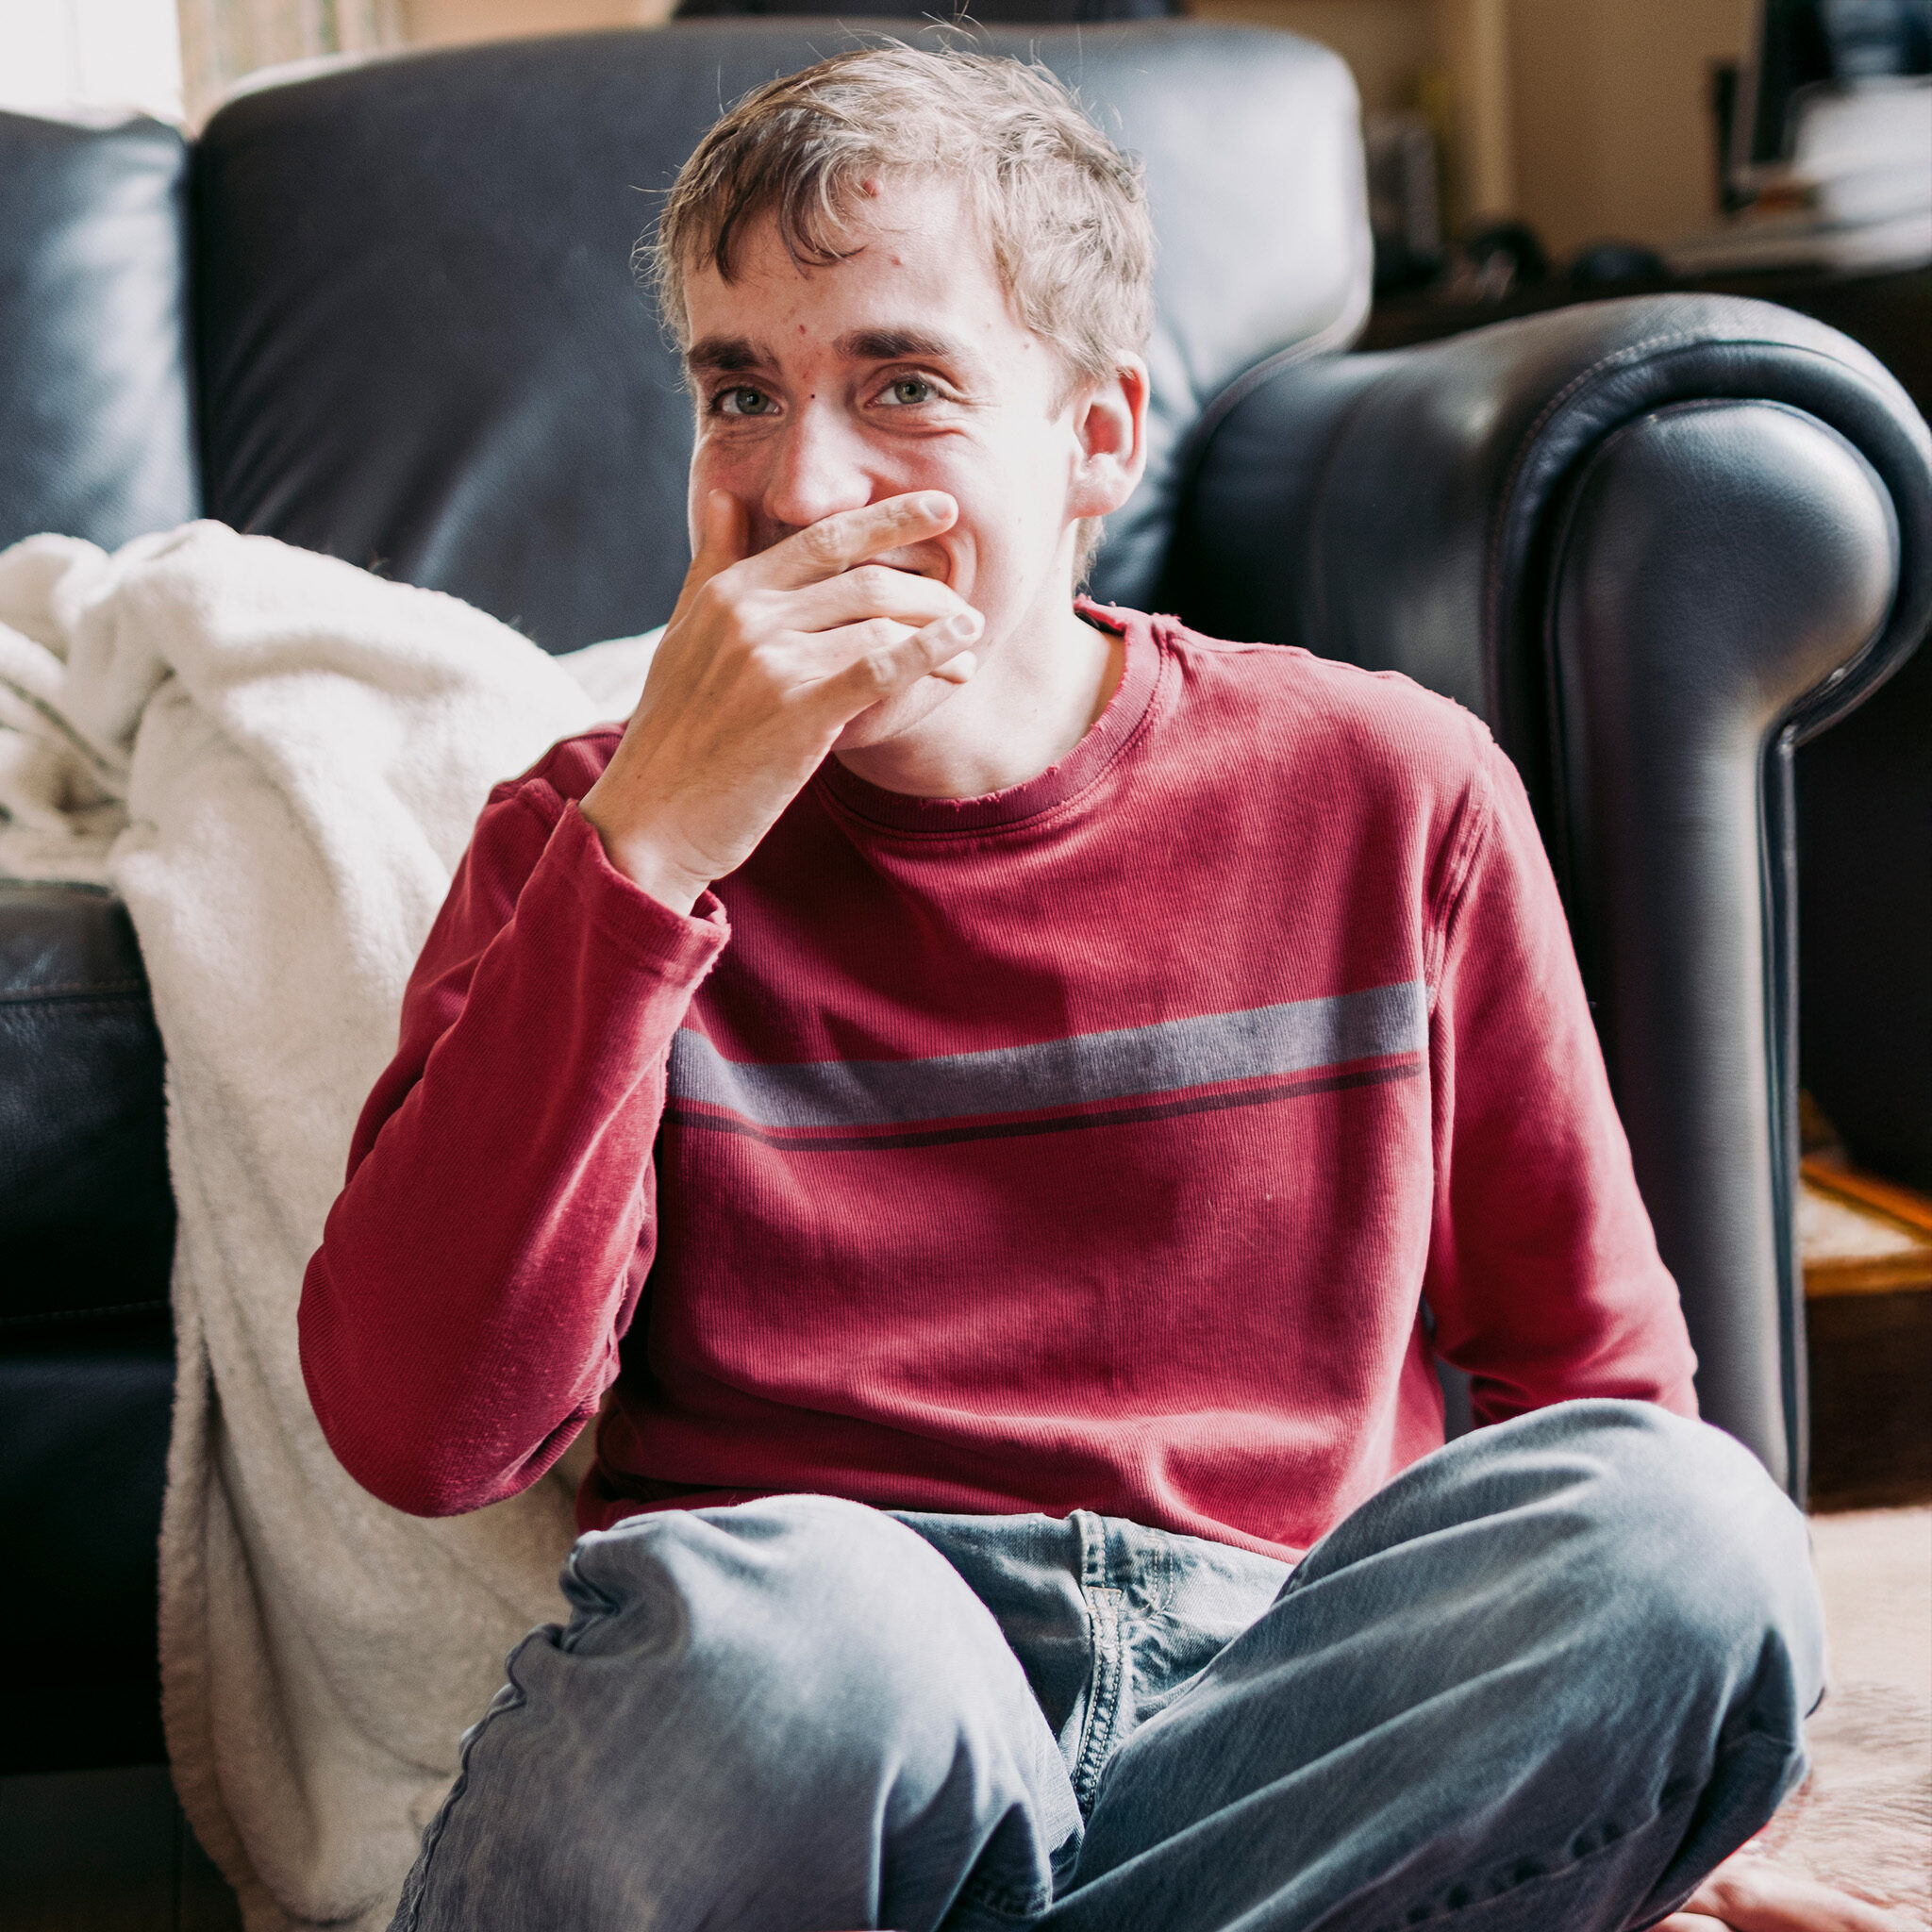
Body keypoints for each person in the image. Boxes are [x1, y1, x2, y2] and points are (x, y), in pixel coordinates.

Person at [297, 45, 1893, 1932]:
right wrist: (646, 865)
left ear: (1096, 441)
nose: (799, 481)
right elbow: (421, 1432)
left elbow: (1591, 1379)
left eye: (899, 384)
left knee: (1688, 1536)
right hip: (818, 1712)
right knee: (818, 1635)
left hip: (1273, 1690)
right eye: (740, 389)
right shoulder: (584, 837)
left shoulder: (1388, 788)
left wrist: (1678, 1803)